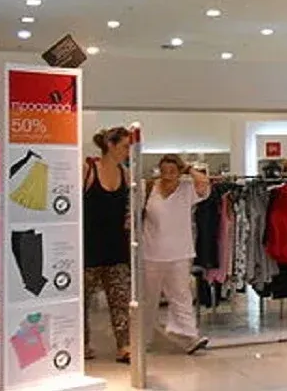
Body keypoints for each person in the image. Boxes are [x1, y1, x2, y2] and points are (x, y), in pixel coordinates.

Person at [142, 154, 210, 354]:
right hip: (150, 252)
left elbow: (204, 182)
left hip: (180, 253)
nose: (168, 175)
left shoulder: (187, 189)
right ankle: (142, 338)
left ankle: (189, 336)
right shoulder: (149, 189)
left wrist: (188, 169)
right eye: (164, 170)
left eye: (172, 171)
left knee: (181, 295)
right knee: (148, 298)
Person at [83, 126, 132, 364]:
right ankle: (81, 344)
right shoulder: (88, 170)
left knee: (121, 300)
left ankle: (124, 345)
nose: (127, 151)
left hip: (116, 249)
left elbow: (128, 209)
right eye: (124, 146)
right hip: (88, 249)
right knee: (82, 301)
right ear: (111, 145)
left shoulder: (126, 174)